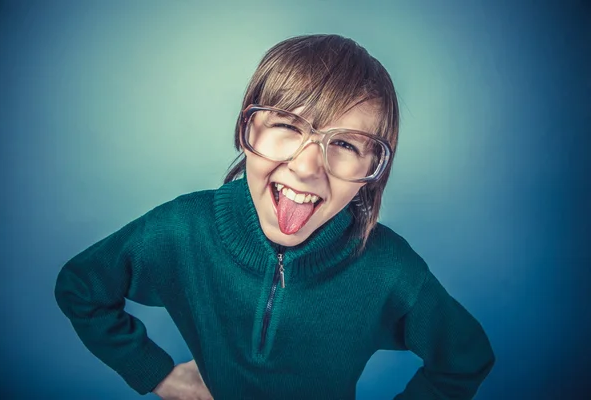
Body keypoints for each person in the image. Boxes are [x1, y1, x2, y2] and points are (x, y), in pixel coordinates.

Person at [55, 34, 495, 400]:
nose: (307, 166)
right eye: (287, 125)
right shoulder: (181, 230)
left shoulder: (390, 269)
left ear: (371, 174)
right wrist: (155, 373)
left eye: (346, 145)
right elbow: (81, 288)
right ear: (247, 131)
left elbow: (464, 356)